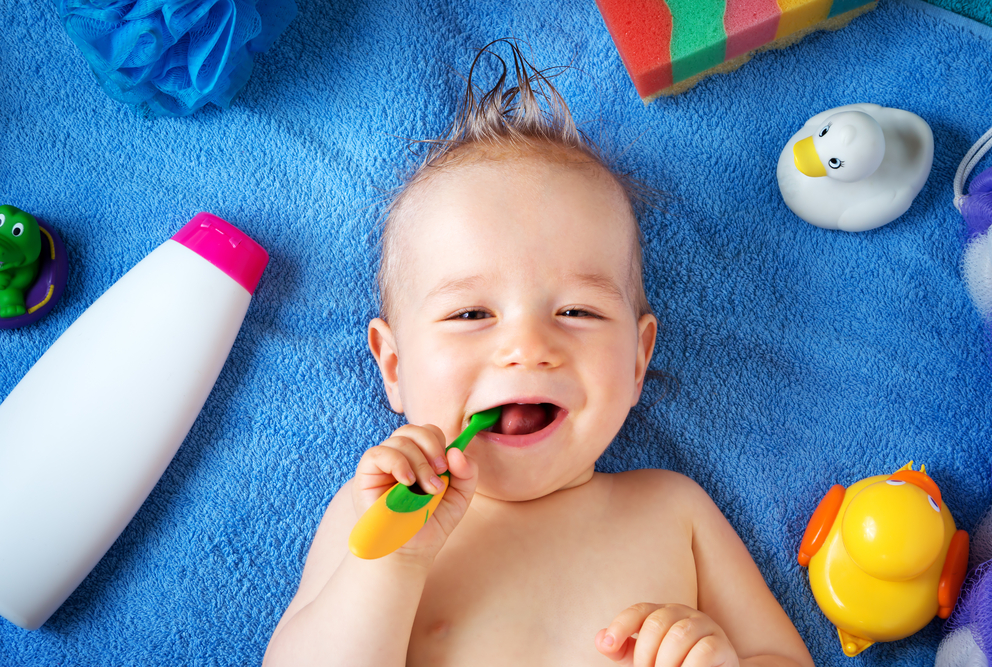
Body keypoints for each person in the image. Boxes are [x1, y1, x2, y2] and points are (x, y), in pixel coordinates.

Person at [264, 40, 814, 667]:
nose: (528, 348)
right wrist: (394, 561)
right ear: (393, 365)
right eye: (471, 314)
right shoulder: (380, 517)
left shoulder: (672, 508)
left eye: (577, 312)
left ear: (637, 359)